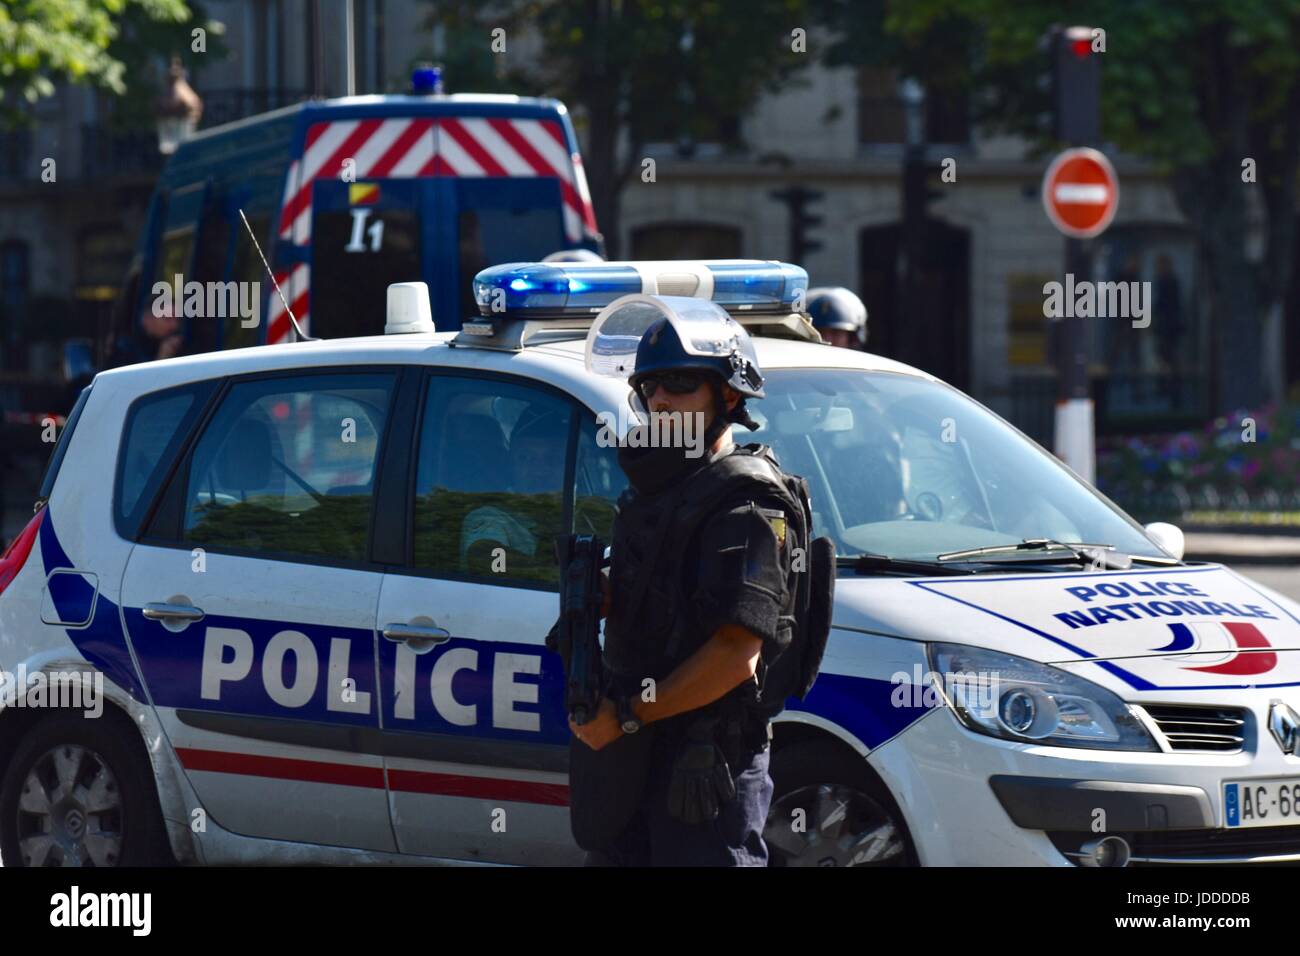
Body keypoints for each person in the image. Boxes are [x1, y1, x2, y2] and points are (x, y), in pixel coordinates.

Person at [570, 307, 803, 867]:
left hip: (703, 768)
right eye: (649, 386)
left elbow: (735, 654)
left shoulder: (746, 502)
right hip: (636, 757)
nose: (661, 400)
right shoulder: (665, 492)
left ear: (727, 395)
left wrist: (627, 715)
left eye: (680, 382)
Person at [459, 409, 567, 572]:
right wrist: (555, 575)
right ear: (511, 465)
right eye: (526, 458)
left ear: (575, 466)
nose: (539, 470)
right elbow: (486, 557)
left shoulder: (585, 512)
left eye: (553, 458)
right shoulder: (490, 517)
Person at [110, 304, 184, 367]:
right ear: (147, 319)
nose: (174, 325)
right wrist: (162, 358)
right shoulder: (126, 349)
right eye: (167, 319)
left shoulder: (181, 346)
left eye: (177, 320)